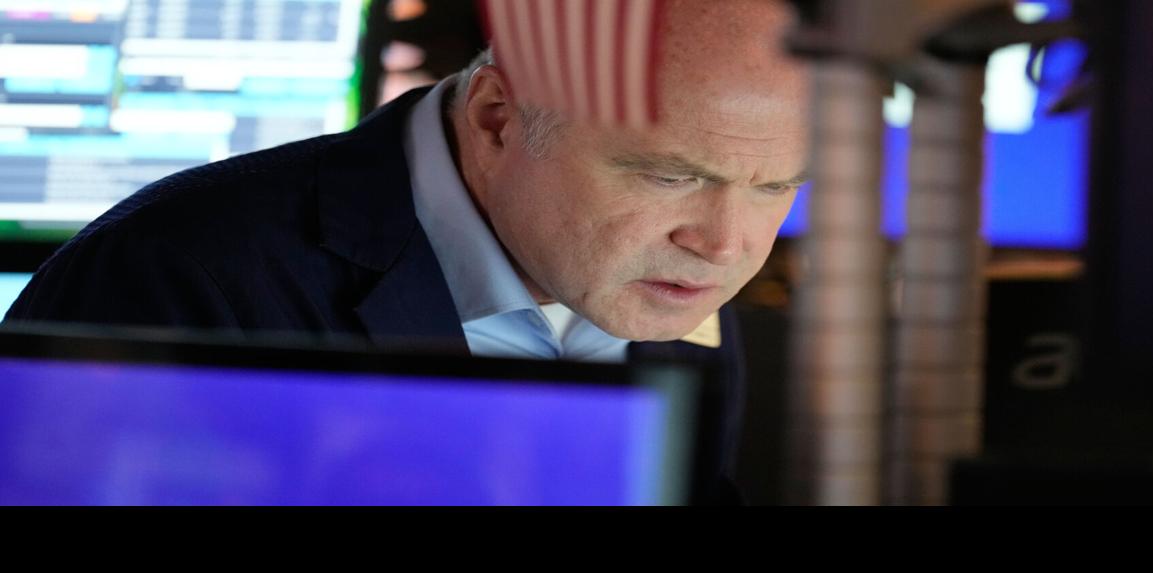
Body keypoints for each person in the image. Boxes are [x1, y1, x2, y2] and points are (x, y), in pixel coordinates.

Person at [3, 0, 811, 504]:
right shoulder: (179, 278)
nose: (725, 246)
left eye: (776, 186)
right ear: (498, 118)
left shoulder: (664, 279)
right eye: (669, 177)